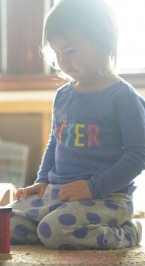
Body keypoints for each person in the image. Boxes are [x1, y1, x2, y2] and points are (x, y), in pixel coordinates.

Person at [9, 0, 144, 250]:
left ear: (104, 43)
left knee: (54, 232)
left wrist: (93, 187)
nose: (63, 63)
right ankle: (56, 228)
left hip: (107, 197)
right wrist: (42, 181)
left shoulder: (122, 97)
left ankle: (127, 233)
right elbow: (55, 142)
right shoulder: (63, 95)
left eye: (71, 51)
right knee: (5, 225)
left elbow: (138, 155)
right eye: (57, 53)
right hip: (60, 194)